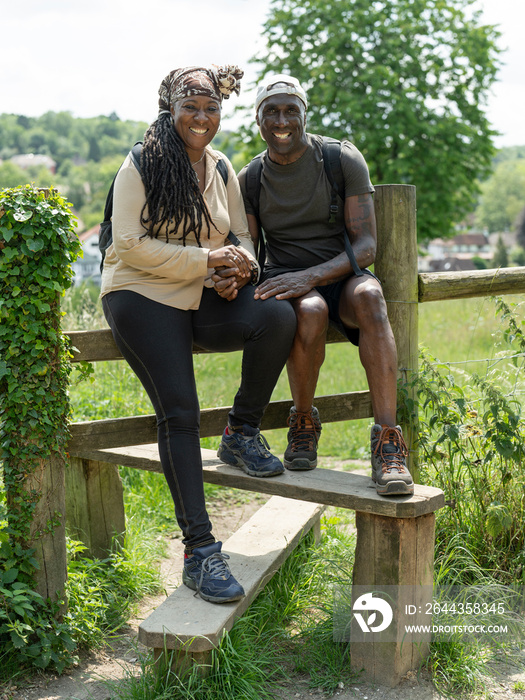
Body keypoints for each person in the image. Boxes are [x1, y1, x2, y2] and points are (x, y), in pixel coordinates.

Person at [100, 66, 296, 604]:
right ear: (169, 106)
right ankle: (200, 552)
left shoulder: (220, 166)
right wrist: (208, 258)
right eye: (191, 106)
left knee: (277, 317)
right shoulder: (142, 161)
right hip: (140, 293)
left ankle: (240, 433)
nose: (201, 118)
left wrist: (242, 269)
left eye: (210, 108)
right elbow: (130, 244)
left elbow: (241, 235)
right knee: (181, 413)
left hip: (199, 290)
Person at [236, 74, 414, 497]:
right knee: (311, 311)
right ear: (258, 120)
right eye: (271, 112)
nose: (282, 120)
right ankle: (302, 422)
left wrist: (313, 275)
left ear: (304, 114)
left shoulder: (340, 159)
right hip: (291, 281)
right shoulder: (251, 178)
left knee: (371, 297)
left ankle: (388, 444)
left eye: (290, 110)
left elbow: (367, 245)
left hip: (343, 273)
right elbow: (250, 249)